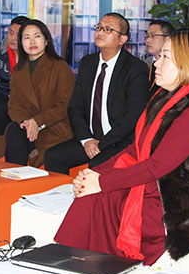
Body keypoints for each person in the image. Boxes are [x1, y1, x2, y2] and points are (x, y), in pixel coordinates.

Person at [54, 30, 189, 265]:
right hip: (158, 186)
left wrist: (102, 182)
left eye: (165, 57)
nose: (156, 63)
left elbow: (156, 167)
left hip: (182, 204)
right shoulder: (165, 100)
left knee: (101, 196)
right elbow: (136, 149)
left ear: (187, 64)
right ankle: (76, 262)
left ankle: (83, 263)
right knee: (94, 195)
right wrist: (95, 174)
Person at [44, 13, 150, 174]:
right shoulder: (88, 63)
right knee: (53, 156)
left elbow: (133, 116)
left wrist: (102, 144)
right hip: (91, 138)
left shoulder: (135, 68)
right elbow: (75, 107)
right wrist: (87, 140)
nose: (100, 32)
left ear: (122, 39)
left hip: (120, 141)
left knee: (97, 164)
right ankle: (63, 192)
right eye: (99, 27)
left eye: (108, 29)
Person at [0, 19, 75, 167]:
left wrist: (37, 121)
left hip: (54, 129)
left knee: (16, 135)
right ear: (21, 43)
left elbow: (65, 105)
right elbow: (14, 105)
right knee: (14, 129)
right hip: (28, 130)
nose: (32, 41)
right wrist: (28, 123)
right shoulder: (18, 71)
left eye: (37, 36)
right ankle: (15, 175)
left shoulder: (60, 67)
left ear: (46, 41)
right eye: (26, 37)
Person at [0, 15, 30, 136]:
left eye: (18, 35)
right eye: (10, 33)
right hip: (4, 97)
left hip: (27, 100)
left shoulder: (34, 54)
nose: (13, 38)